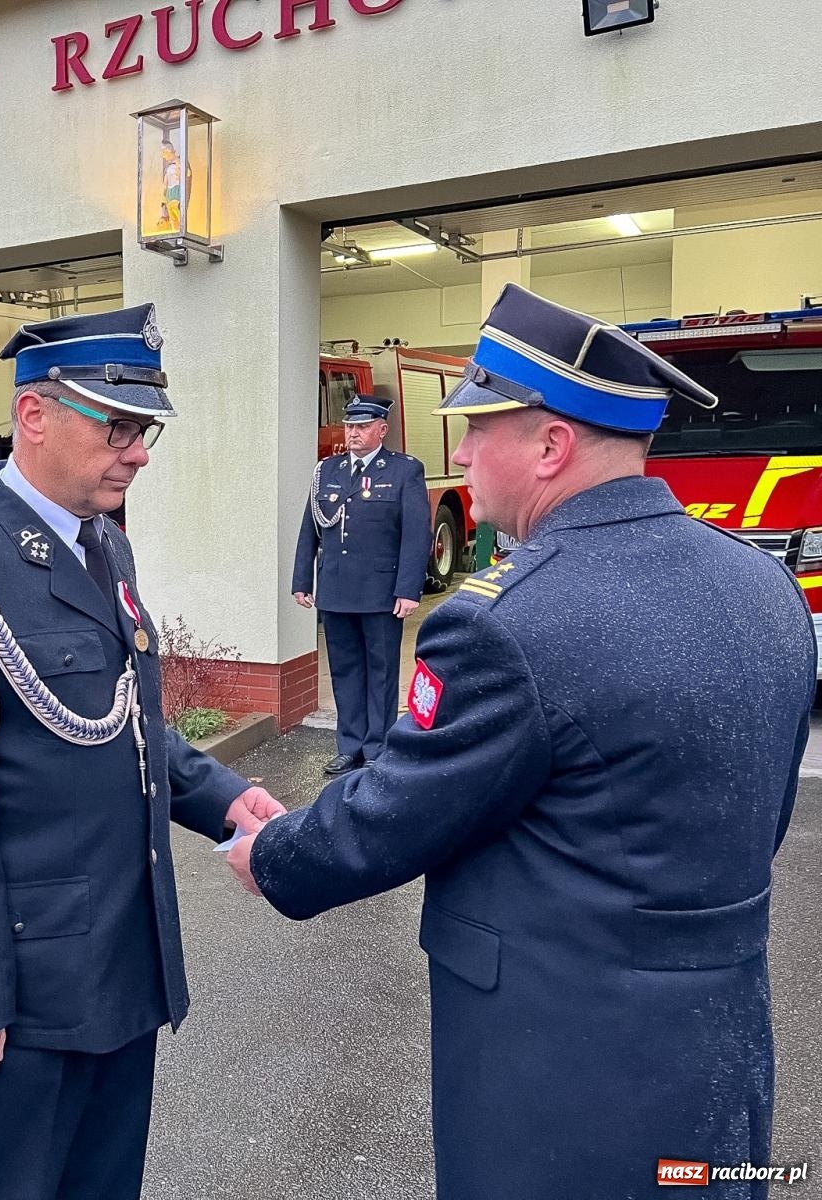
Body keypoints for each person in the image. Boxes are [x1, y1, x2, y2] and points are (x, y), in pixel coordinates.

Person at [231, 283, 815, 1199]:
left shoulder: (507, 623)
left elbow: (391, 814)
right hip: (720, 1059)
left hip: (559, 1077)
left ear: (551, 445)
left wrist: (275, 853)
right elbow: (761, 814)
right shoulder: (761, 587)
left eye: (478, 427)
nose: (459, 452)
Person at [0, 303, 284, 1200]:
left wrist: (220, 798)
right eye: (120, 427)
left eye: (146, 432)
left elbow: (124, 721)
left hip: (123, 967)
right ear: (35, 416)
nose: (138, 452)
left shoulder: (104, 545)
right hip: (26, 993)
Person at [292, 394, 429, 773]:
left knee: (381, 672)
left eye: (362, 426)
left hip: (381, 593)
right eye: (350, 425)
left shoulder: (404, 471)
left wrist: (408, 589)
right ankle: (349, 745)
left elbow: (415, 535)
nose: (353, 432)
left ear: (382, 430)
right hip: (336, 590)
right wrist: (302, 578)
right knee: (345, 670)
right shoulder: (329, 470)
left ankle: (377, 748)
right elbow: (311, 528)